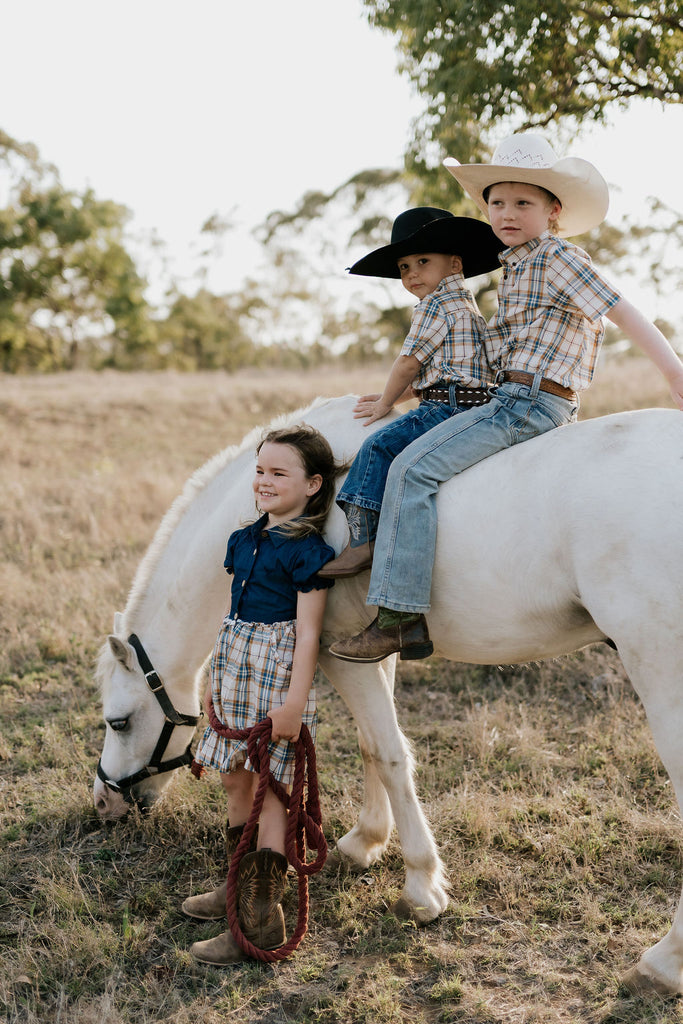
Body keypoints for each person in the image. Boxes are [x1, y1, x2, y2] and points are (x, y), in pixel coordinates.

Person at [329, 132, 683, 664]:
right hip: (512, 396)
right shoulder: (514, 267)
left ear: (553, 211)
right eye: (497, 202)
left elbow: (621, 309)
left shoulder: (557, 257)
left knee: (410, 470)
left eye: (523, 203)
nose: (507, 213)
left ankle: (400, 616)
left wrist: (675, 373)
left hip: (527, 403)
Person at [184, 424, 338, 965]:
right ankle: (237, 886)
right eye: (260, 471)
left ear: (313, 485)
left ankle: (260, 920)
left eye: (279, 473)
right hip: (234, 666)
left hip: (274, 674)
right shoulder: (243, 540)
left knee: (270, 792)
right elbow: (232, 619)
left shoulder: (308, 552)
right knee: (234, 776)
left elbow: (309, 634)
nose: (264, 481)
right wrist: (213, 680)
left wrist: (294, 704)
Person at [317, 206, 502, 579]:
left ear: (454, 264)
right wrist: (399, 397)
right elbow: (446, 371)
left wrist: (385, 403)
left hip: (444, 408)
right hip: (473, 405)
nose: (412, 273)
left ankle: (361, 542)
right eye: (404, 267)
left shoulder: (434, 305)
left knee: (378, 447)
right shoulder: (467, 305)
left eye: (422, 261)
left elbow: (408, 363)